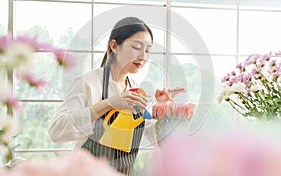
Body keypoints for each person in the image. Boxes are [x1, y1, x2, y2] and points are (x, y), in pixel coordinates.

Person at [48, 17, 185, 175]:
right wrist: (109, 104)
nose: (143, 56)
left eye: (147, 50)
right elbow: (56, 131)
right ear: (114, 46)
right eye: (136, 47)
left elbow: (148, 132)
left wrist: (167, 113)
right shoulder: (88, 82)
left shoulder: (134, 89)